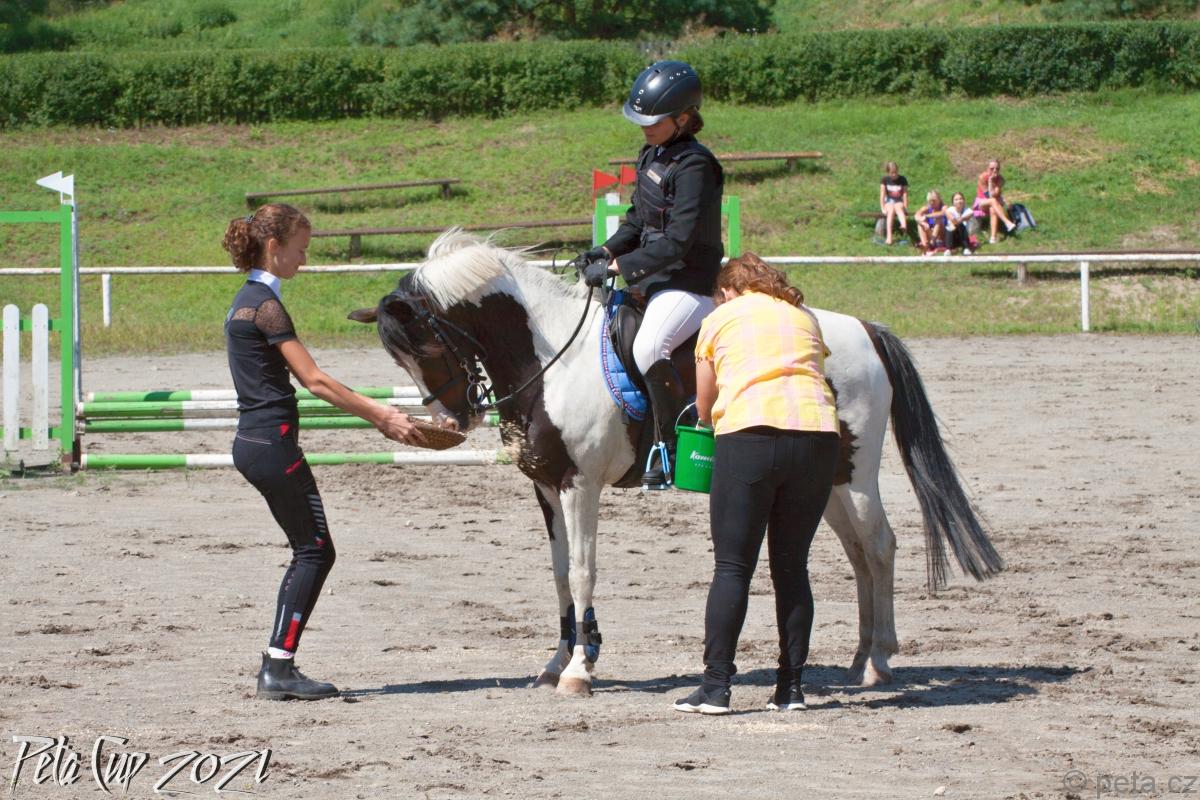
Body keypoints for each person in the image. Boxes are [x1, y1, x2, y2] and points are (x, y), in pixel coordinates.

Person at [222, 203, 426, 700]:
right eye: (300, 249)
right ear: (274, 247)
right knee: (314, 550)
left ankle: (279, 664)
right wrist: (381, 416)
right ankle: (278, 668)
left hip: (254, 442)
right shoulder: (266, 306)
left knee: (310, 548)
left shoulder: (245, 300)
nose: (305, 259)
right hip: (272, 445)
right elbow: (313, 380)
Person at [673, 252, 840, 716]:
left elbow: (704, 404)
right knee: (792, 567)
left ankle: (716, 687)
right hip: (818, 438)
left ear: (727, 291)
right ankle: (791, 689)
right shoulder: (803, 316)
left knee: (732, 567)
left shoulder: (720, 317)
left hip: (750, 435)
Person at [572, 60, 725, 490]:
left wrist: (619, 266)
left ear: (684, 118)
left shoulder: (696, 166)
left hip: (688, 282)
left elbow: (678, 241)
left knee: (650, 346)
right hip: (653, 280)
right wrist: (605, 250)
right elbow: (637, 222)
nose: (645, 129)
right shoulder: (651, 155)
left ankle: (670, 448)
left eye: (654, 121)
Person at [975, 159, 1016, 245]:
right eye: (992, 168)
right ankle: (1007, 222)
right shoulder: (982, 177)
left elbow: (995, 194)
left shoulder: (1000, 179)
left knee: (992, 209)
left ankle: (993, 238)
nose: (995, 170)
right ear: (987, 168)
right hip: (982, 202)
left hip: (994, 203)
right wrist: (990, 181)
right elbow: (988, 196)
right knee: (992, 201)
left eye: (997, 169)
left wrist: (1004, 202)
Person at [878, 161, 909, 246]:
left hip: (899, 200)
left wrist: (905, 206)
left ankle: (903, 225)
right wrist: (882, 207)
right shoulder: (884, 179)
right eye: (892, 173)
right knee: (891, 211)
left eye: (895, 172)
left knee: (899, 208)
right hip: (889, 201)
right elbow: (882, 194)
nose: (894, 175)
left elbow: (905, 194)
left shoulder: (903, 179)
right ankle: (889, 237)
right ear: (888, 172)